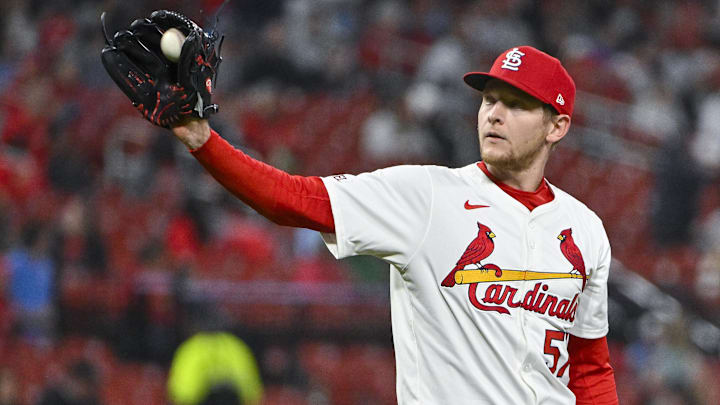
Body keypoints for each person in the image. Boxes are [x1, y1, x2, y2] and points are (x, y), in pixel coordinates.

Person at [168, 45, 618, 404]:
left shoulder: (585, 229)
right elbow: (296, 199)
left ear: (556, 127)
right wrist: (202, 139)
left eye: (516, 105)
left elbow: (588, 367)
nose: (494, 114)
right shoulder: (426, 196)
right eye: (489, 99)